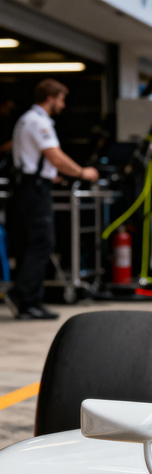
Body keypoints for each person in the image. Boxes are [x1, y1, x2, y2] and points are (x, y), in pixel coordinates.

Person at [5, 79, 98, 321]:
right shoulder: (38, 121)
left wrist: (48, 176)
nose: (63, 105)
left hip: (30, 185)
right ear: (50, 98)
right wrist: (81, 172)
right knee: (42, 243)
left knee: (31, 243)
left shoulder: (27, 119)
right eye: (61, 99)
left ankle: (29, 301)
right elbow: (55, 157)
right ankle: (24, 296)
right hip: (34, 190)